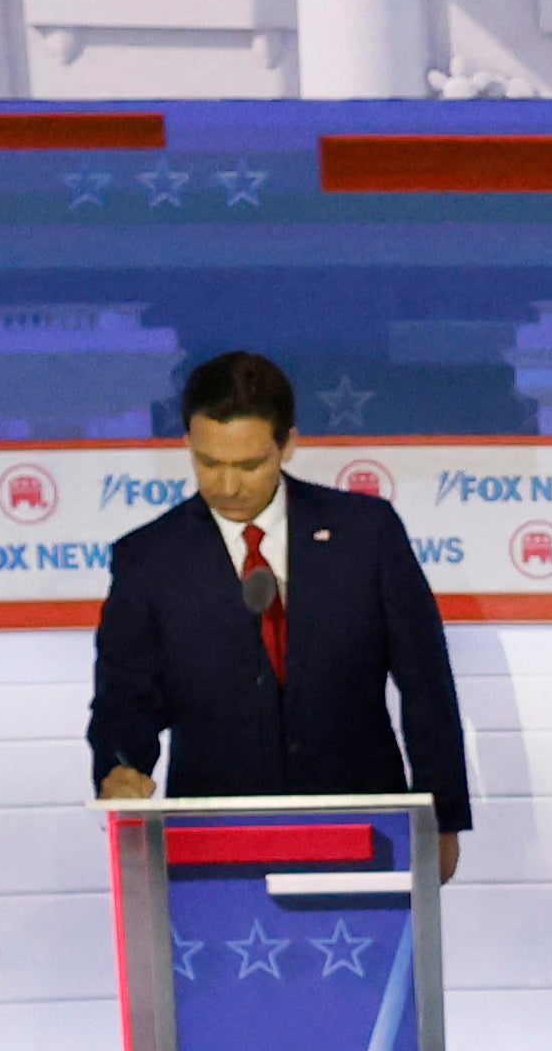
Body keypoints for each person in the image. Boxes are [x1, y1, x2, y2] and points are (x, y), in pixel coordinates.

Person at [87, 353, 468, 870]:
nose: (227, 486)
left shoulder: (366, 534)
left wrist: (440, 815)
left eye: (249, 465)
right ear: (187, 445)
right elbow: (125, 697)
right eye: (208, 462)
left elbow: (426, 684)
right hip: (214, 838)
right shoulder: (149, 559)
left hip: (362, 827)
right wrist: (119, 768)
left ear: (288, 444)